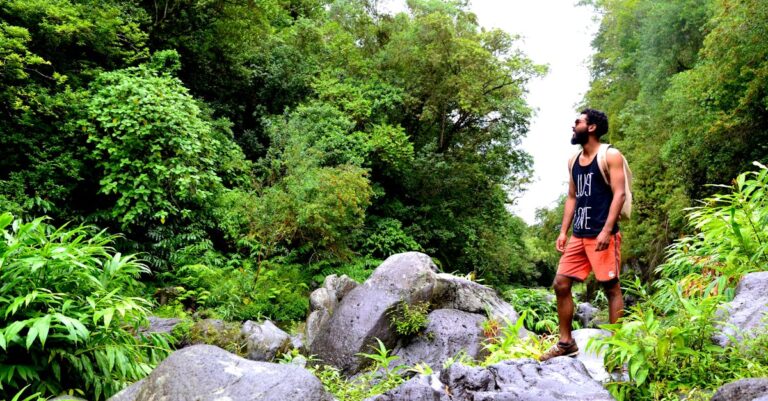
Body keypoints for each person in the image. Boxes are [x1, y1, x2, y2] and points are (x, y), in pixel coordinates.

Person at [539, 108, 626, 362]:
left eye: (577, 122)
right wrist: (563, 231)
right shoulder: (573, 161)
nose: (572, 125)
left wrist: (607, 231)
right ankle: (566, 343)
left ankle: (617, 349)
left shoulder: (610, 155)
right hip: (579, 235)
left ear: (591, 128)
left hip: (602, 234)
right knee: (561, 283)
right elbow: (572, 197)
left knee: (611, 288)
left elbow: (619, 194)